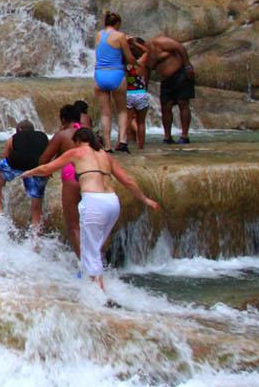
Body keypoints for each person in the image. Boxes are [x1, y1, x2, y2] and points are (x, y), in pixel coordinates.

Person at [24, 127, 161, 296]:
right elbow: (128, 180)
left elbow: (47, 169)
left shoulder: (76, 152)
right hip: (112, 202)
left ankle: (98, 294)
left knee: (90, 249)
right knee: (95, 246)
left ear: (77, 141)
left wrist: (29, 172)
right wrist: (145, 199)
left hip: (93, 202)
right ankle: (95, 282)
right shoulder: (105, 155)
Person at [34, 102, 88, 253]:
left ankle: (84, 266)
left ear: (63, 120)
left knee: (74, 226)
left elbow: (44, 158)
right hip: (92, 175)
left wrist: (45, 172)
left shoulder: (62, 135)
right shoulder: (89, 133)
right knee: (92, 224)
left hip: (71, 175)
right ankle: (98, 261)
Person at [0, 119, 50, 229]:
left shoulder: (13, 138)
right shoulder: (43, 136)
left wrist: (4, 176)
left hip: (16, 164)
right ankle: (35, 241)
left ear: (18, 130)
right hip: (37, 168)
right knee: (36, 207)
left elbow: (6, 156)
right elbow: (47, 154)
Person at [91, 12, 135, 152]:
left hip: (100, 75)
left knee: (105, 113)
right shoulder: (120, 35)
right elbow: (129, 58)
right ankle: (122, 141)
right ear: (117, 24)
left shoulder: (98, 35)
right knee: (122, 110)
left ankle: (108, 146)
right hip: (116, 73)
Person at [140, 34, 195, 144]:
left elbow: (180, 47)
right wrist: (143, 91)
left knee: (183, 103)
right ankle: (167, 136)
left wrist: (187, 65)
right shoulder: (145, 58)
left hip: (180, 74)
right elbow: (146, 73)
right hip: (165, 81)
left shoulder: (158, 42)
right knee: (165, 107)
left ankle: (184, 135)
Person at [122, 63, 152, 151]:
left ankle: (123, 143)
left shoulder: (126, 68)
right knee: (141, 122)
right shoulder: (143, 67)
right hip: (141, 93)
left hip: (129, 94)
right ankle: (141, 146)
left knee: (128, 121)